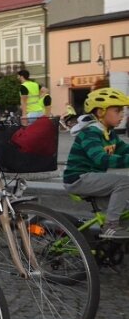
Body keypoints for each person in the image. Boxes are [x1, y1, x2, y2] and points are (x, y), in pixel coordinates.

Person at [63, 87, 129, 239]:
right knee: (125, 182)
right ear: (101, 112)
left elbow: (125, 149)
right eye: (118, 110)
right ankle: (110, 226)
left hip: (93, 178)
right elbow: (101, 158)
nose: (122, 115)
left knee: (124, 210)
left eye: (123, 111)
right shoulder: (90, 132)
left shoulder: (109, 133)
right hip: (78, 179)